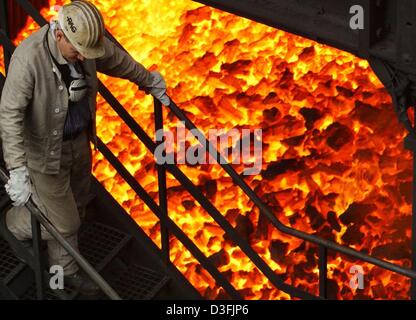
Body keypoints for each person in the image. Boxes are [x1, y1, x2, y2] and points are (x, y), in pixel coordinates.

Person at [0, 0, 169, 295]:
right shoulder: (29, 60)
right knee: (64, 223)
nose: (82, 57)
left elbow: (114, 59)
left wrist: (148, 80)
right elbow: (10, 115)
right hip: (43, 154)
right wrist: (16, 170)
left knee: (77, 203)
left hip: (78, 140)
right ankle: (34, 244)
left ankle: (58, 258)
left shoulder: (83, 44)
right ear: (60, 34)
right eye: (77, 51)